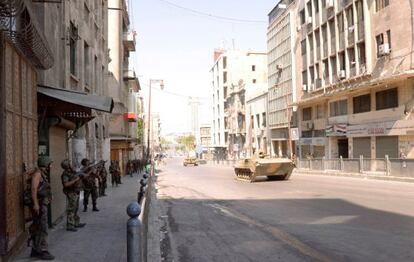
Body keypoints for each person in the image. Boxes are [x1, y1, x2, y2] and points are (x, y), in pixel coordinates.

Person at [28, 156, 55, 260]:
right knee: (43, 227)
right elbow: (34, 189)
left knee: (38, 226)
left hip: (42, 203)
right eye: (50, 163)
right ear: (45, 164)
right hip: (39, 204)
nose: (51, 165)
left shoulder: (41, 173)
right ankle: (43, 251)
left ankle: (35, 250)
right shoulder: (37, 174)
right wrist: (36, 204)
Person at [61, 159, 86, 232]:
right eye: (70, 164)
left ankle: (76, 222)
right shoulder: (65, 174)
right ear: (67, 165)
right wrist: (75, 180)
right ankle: (70, 225)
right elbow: (66, 184)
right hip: (71, 192)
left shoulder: (72, 172)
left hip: (76, 191)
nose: (71, 164)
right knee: (71, 208)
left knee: (76, 208)